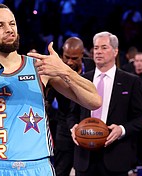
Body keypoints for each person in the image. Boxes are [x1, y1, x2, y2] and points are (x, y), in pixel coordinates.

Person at [0, 3, 101, 176]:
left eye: (12, 24)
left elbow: (94, 101)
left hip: (38, 167)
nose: (9, 29)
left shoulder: (39, 66)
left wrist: (65, 70)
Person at [69, 31, 142, 176]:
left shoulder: (131, 81)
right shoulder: (81, 80)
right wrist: (73, 127)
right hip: (84, 158)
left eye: (104, 47)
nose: (98, 52)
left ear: (115, 51)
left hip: (115, 158)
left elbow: (140, 119)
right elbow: (71, 114)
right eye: (96, 48)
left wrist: (121, 130)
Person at [46, 37, 94, 176]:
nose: (69, 62)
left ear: (82, 55)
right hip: (64, 127)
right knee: (61, 170)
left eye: (75, 58)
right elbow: (47, 100)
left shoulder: (92, 67)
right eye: (66, 57)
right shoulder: (55, 70)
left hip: (88, 125)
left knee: (85, 169)